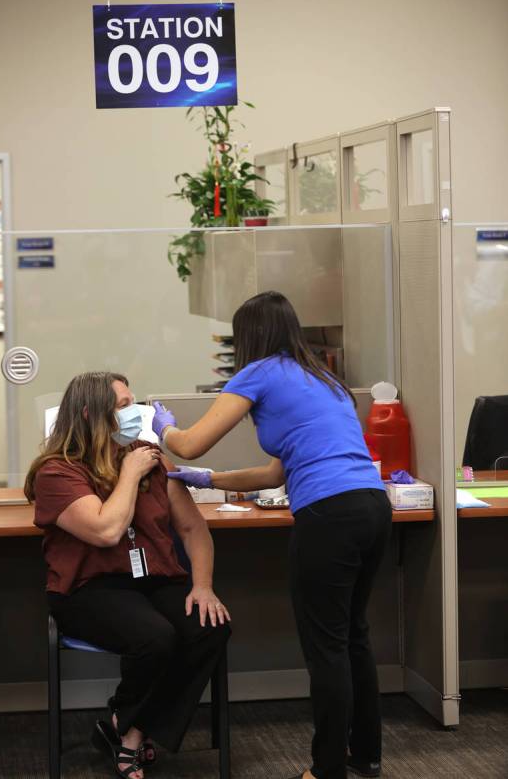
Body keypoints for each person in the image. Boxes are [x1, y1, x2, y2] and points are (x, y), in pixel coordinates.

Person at [152, 291, 392, 779]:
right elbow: (273, 474)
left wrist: (166, 429)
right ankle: (364, 755)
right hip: (371, 505)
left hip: (328, 514)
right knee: (353, 638)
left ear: (249, 337)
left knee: (326, 647)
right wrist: (209, 480)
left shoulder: (257, 373)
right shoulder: (324, 380)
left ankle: (326, 770)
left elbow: (192, 443)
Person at [24, 371, 230, 779]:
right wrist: (130, 475)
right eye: (122, 406)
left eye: (133, 402)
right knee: (155, 638)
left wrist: (203, 586)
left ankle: (129, 726)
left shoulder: (150, 458)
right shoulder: (58, 472)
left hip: (153, 579)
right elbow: (106, 530)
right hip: (87, 589)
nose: (135, 413)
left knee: (209, 625)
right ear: (89, 414)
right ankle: (134, 730)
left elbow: (193, 529)